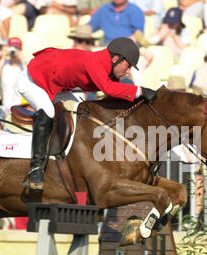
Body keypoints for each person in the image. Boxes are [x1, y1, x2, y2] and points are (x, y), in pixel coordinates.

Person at [15, 37, 158, 190]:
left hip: (55, 86)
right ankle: (36, 169)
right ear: (116, 58)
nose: (128, 71)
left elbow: (117, 92)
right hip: (32, 82)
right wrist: (140, 91)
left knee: (80, 109)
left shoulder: (106, 66)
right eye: (128, 65)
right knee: (49, 112)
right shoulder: (95, 62)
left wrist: (138, 96)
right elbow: (109, 89)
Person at [0, 37, 26, 113]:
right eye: (11, 47)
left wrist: (22, 60)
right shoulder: (4, 65)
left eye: (16, 48)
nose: (13, 50)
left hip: (22, 108)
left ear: (20, 50)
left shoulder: (24, 66)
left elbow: (30, 79)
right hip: (6, 108)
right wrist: (3, 58)